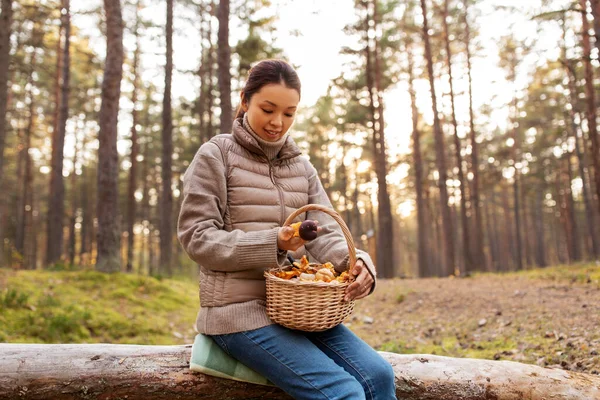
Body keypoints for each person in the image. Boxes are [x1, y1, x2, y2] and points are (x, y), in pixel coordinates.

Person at [178, 59, 396, 399]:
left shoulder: (302, 167)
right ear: (245, 100)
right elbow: (197, 238)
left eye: (289, 113)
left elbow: (327, 232)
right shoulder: (216, 155)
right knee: (342, 392)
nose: (277, 122)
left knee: (379, 376)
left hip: (298, 311)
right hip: (237, 315)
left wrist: (358, 262)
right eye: (268, 109)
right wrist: (273, 241)